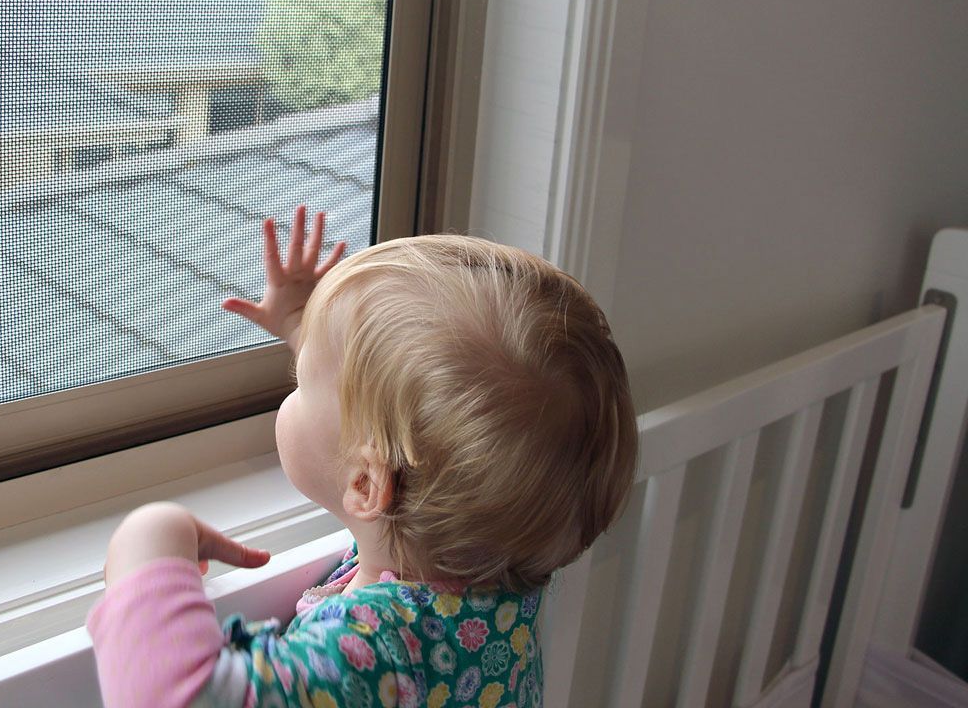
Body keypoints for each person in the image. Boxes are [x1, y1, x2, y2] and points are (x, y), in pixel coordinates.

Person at [87, 206, 638, 707]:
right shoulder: (489, 567)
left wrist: (149, 543)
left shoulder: (378, 650)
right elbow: (414, 434)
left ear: (367, 486)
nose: (294, 382)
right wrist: (307, 328)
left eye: (301, 381)